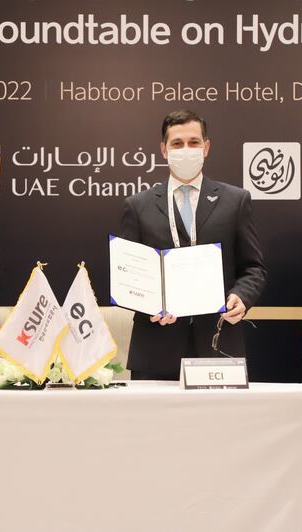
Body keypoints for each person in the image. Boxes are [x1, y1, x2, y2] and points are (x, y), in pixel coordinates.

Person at [118, 109, 266, 379]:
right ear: (163, 150)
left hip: (218, 343)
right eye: (177, 143)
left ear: (206, 147)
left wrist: (241, 297)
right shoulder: (138, 206)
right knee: (153, 423)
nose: (186, 150)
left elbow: (253, 268)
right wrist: (149, 305)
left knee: (218, 423)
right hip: (156, 349)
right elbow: (129, 276)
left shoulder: (236, 200)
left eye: (194, 142)